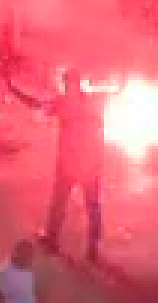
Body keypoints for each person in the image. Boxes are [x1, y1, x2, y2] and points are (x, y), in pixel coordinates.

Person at [7, 67, 111, 262]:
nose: (66, 86)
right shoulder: (92, 101)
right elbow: (37, 105)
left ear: (73, 83)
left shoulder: (63, 104)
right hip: (87, 162)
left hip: (72, 163)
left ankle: (62, 242)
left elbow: (37, 105)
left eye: (67, 82)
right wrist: (16, 91)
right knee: (85, 205)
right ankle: (89, 247)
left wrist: (15, 91)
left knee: (68, 204)